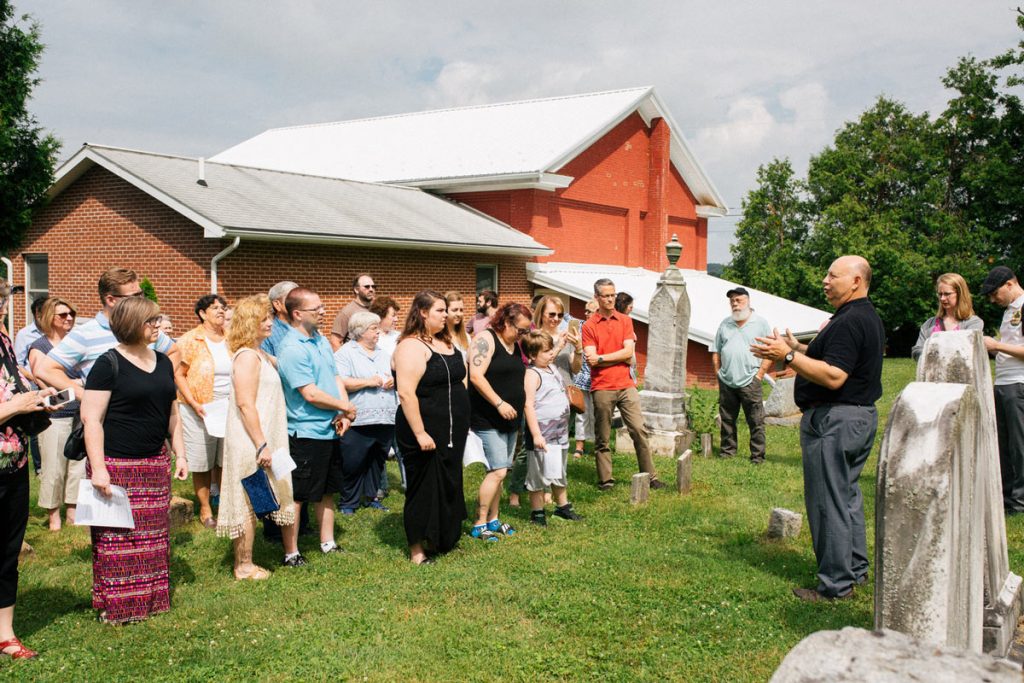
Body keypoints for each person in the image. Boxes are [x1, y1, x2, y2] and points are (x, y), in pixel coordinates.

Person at [751, 255, 883, 602]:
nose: (825, 280)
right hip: (855, 417)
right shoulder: (859, 316)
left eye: (832, 275)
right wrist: (796, 347)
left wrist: (789, 357)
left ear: (856, 281)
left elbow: (835, 375)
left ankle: (836, 587)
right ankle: (855, 570)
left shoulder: (850, 320)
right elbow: (837, 359)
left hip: (834, 421)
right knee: (847, 497)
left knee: (828, 502)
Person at [81, 296, 188, 623]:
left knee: (153, 539)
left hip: (154, 465)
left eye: (157, 320)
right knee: (117, 540)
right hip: (116, 465)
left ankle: (150, 602)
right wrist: (99, 469)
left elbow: (172, 413)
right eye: (151, 321)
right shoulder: (107, 364)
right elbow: (91, 420)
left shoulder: (164, 362)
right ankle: (116, 609)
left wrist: (179, 453)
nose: (158, 326)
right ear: (131, 324)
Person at [217, 295, 296, 579]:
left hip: (264, 436)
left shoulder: (260, 353)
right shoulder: (247, 357)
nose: (270, 322)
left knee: (260, 496)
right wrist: (261, 443)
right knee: (247, 499)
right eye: (263, 319)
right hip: (251, 439)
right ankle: (243, 565)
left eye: (269, 317)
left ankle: (247, 561)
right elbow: (245, 403)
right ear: (250, 323)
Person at [276, 287, 357, 564]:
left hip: (330, 427)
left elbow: (335, 377)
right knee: (298, 496)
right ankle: (291, 552)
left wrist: (343, 413)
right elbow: (309, 393)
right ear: (297, 314)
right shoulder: (291, 348)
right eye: (316, 309)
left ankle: (327, 542)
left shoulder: (320, 340)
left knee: (326, 490)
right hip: (305, 431)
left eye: (322, 307)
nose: (323, 311)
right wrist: (345, 407)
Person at [0, 283, 56, 660]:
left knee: (6, 552)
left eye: (2, 300)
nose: (2, 307)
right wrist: (15, 406)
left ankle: (5, 634)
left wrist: (33, 398)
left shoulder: (3, 340)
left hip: (13, 462)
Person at [393, 290, 469, 564]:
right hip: (422, 429)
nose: (446, 315)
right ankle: (417, 549)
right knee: (423, 487)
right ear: (423, 313)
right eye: (440, 310)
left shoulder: (445, 342)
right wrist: (420, 432)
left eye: (446, 310)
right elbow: (406, 394)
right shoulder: (411, 346)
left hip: (452, 430)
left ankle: (441, 537)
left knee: (448, 483)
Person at [36, 267, 178, 398]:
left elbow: (174, 352)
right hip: (110, 420)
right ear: (111, 300)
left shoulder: (146, 327)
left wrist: (160, 383)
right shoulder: (85, 334)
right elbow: (46, 370)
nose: (141, 300)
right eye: (134, 296)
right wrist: (85, 396)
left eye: (141, 294)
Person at [583, 279, 663, 491]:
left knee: (638, 429)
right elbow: (591, 358)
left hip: (626, 385)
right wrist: (612, 357)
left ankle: (650, 476)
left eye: (613, 295)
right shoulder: (589, 326)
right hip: (602, 386)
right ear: (597, 298)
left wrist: (602, 358)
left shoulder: (625, 321)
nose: (611, 299)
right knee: (603, 436)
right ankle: (606, 480)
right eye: (606, 296)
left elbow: (629, 354)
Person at [468, 302, 532, 540]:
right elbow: (475, 376)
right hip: (488, 416)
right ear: (506, 322)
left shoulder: (513, 343)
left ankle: (493, 519)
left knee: (502, 471)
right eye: (521, 329)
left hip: (510, 419)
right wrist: (499, 403)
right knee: (496, 471)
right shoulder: (486, 339)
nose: (523, 335)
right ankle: (479, 522)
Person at [28, 297, 85, 530]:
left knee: (78, 464)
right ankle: (54, 516)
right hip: (55, 415)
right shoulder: (39, 347)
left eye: (71, 313)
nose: (69, 318)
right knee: (54, 466)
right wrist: (75, 384)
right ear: (50, 317)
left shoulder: (76, 344)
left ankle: (72, 510)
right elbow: (43, 384)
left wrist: (71, 384)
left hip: (81, 413)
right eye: (63, 315)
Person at [174, 294, 230, 528]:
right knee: (202, 460)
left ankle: (226, 503)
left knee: (225, 458)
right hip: (200, 408)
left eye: (223, 307)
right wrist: (193, 402)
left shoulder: (232, 338)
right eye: (214, 308)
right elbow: (178, 374)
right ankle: (206, 509)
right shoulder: (190, 340)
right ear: (202, 314)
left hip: (228, 405)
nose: (220, 311)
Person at [334, 311, 397, 514]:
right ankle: (348, 502)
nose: (378, 332)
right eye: (373, 328)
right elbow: (340, 381)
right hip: (359, 419)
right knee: (353, 462)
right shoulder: (345, 354)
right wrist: (370, 381)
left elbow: (395, 375)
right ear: (360, 331)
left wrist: (392, 381)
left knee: (376, 461)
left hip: (385, 417)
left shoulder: (383, 354)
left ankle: (371, 497)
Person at [522, 331, 582, 526]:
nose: (550, 354)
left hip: (560, 434)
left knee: (559, 471)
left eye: (551, 351)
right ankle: (537, 513)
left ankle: (563, 507)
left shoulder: (550, 367)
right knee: (538, 474)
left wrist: (561, 344)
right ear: (532, 356)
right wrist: (536, 434)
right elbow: (528, 405)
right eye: (546, 352)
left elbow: (551, 354)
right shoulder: (532, 374)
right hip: (542, 437)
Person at [980, 266, 1024, 514]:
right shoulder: (1010, 311)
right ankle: (1007, 498)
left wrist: (997, 345)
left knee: (1019, 447)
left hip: (1019, 384)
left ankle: (1019, 502)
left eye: (995, 293)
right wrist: (994, 349)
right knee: (1004, 446)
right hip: (1003, 384)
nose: (992, 299)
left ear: (1009, 284)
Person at [712, 287, 772, 464]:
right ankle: (727, 452)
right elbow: (716, 350)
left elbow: (770, 352)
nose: (735, 304)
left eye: (739, 300)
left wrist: (760, 375)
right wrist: (718, 373)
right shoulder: (725, 324)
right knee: (728, 419)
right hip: (727, 381)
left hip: (750, 380)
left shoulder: (760, 324)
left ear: (748, 301)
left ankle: (757, 456)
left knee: (755, 420)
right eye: (732, 301)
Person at [910, 273, 984, 361]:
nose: (942, 298)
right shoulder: (929, 324)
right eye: (940, 294)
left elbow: (969, 351)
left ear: (960, 294)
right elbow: (917, 350)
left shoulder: (973, 323)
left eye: (947, 294)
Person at [572, 299, 599, 459]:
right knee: (582, 412)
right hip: (582, 377)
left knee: (598, 414)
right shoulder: (580, 327)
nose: (586, 313)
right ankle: (579, 446)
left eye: (589, 311)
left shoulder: (602, 328)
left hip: (599, 379)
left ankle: (598, 445)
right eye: (586, 310)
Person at [330, 273, 376, 351]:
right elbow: (335, 342)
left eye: (373, 286)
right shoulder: (347, 312)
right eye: (367, 287)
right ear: (356, 290)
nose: (371, 289)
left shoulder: (377, 309)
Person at [261, 281, 299, 358]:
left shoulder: (306, 326)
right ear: (277, 304)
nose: (299, 302)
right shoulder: (267, 332)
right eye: (293, 299)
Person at [445, 291, 470, 357]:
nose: (459, 314)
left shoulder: (466, 337)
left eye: (461, 310)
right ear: (445, 311)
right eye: (454, 310)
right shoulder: (437, 338)